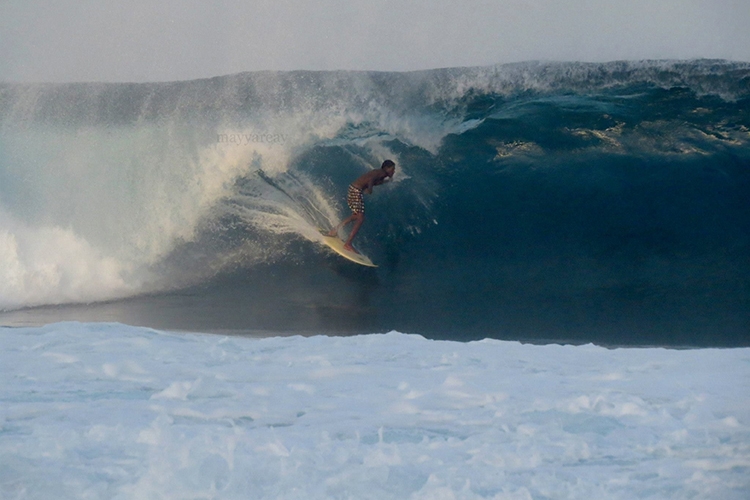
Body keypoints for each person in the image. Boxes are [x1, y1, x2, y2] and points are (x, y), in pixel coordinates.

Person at [328, 160, 396, 253]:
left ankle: (334, 230)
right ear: (386, 168)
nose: (394, 171)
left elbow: (374, 180)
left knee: (356, 215)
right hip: (356, 190)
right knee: (360, 218)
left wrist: (386, 181)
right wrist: (370, 189)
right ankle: (348, 244)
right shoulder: (381, 172)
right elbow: (371, 179)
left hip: (354, 188)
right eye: (392, 169)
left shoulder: (380, 174)